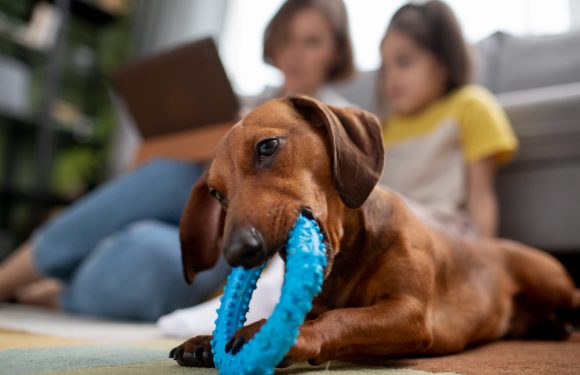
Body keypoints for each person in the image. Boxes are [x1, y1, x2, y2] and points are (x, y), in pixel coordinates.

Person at [0, 0, 355, 322]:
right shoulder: (248, 103)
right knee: (166, 173)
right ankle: (9, 279)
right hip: (193, 205)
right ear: (273, 44)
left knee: (146, 249)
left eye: (312, 42)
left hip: (241, 237)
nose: (296, 54)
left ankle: (61, 293)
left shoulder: (338, 121)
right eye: (287, 39)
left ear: (335, 52)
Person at [378, 0, 518, 238]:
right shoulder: (385, 128)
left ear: (442, 64)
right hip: (398, 235)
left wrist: (482, 263)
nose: (391, 77)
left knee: (388, 210)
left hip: (450, 236)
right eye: (385, 67)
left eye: (404, 62)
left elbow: (481, 196)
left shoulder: (470, 106)